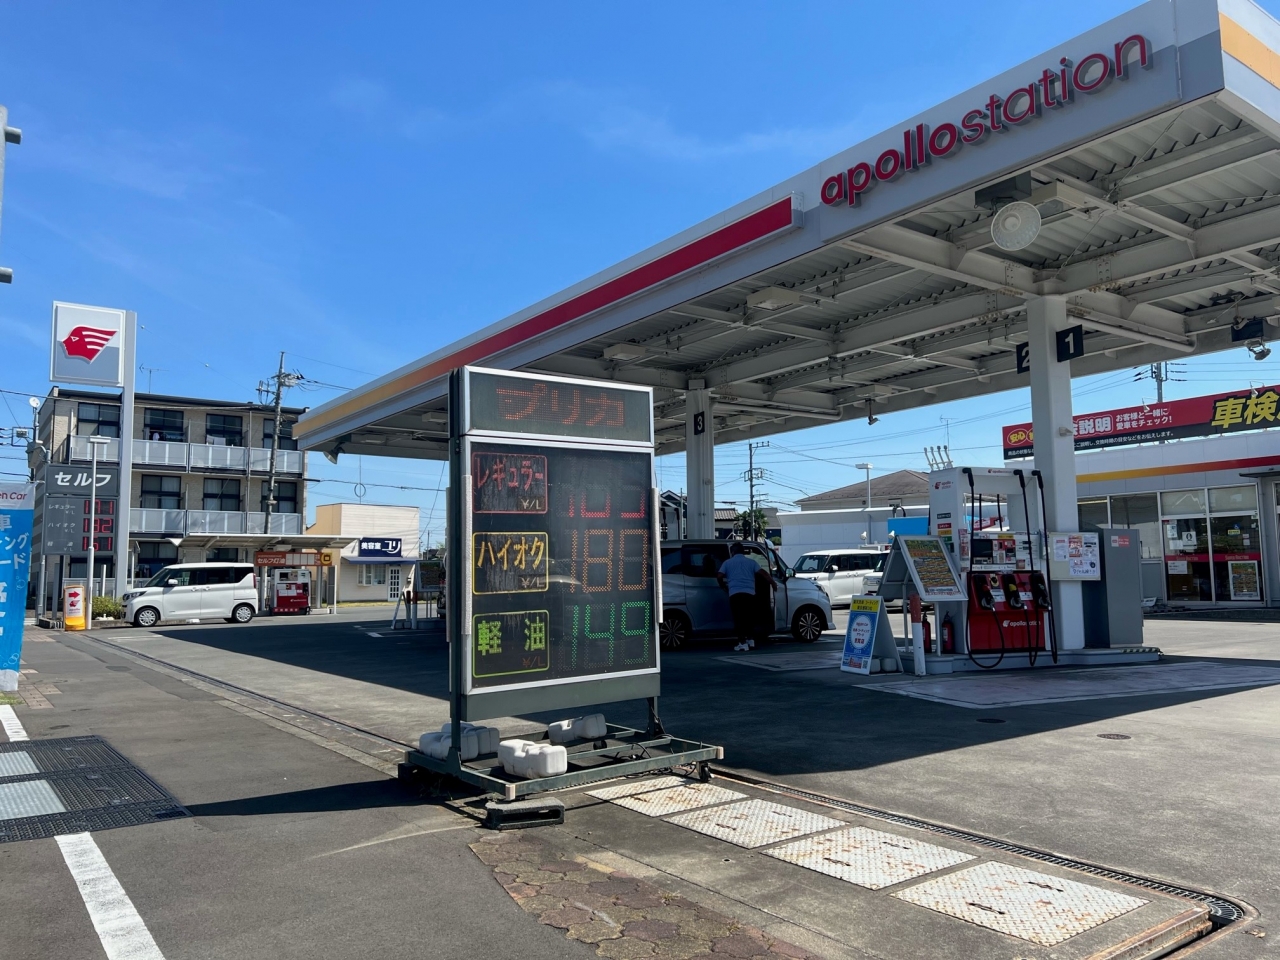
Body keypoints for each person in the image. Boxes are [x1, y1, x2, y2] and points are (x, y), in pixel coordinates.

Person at [717, 542, 760, 652]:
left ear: (732, 552)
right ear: (743, 551)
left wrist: (724, 586)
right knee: (749, 618)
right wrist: (773, 584)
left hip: (735, 593)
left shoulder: (727, 563)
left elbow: (719, 575)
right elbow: (763, 573)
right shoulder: (752, 562)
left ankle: (742, 643)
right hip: (750, 593)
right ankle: (751, 640)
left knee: (739, 619)